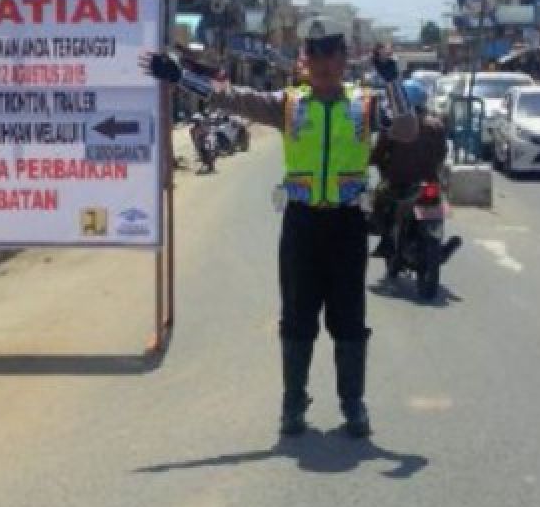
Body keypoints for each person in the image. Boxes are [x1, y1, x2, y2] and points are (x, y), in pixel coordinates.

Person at [141, 35, 417, 438]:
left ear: (343, 61)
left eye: (332, 59)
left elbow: (407, 130)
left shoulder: (367, 105)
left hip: (347, 227)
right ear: (304, 63)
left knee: (350, 318)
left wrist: (393, 82)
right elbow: (233, 99)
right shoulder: (289, 105)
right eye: (316, 60)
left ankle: (352, 403)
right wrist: (181, 77)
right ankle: (293, 403)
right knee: (297, 317)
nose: (324, 68)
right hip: (302, 225)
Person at [369, 80, 449, 259]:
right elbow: (442, 153)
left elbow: (378, 154)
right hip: (430, 182)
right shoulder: (437, 126)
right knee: (437, 204)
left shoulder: (395, 125)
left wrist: (370, 160)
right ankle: (437, 243)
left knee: (379, 198)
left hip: (399, 184)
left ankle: (386, 241)